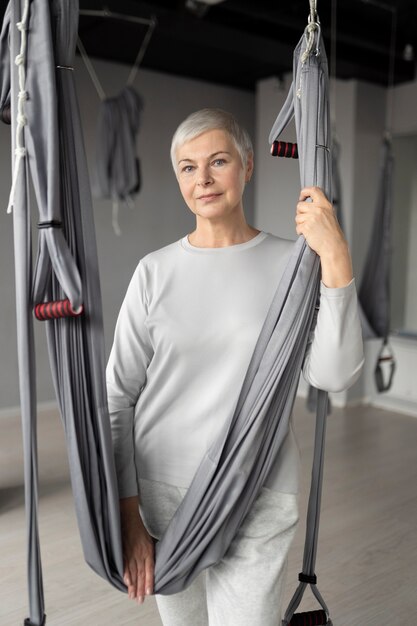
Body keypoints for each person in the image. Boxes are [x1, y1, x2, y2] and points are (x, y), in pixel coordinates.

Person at [106, 108, 364, 626]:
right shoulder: (154, 272)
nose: (202, 179)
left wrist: (335, 257)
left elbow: (333, 377)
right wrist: (129, 515)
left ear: (247, 165)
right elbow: (118, 397)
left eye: (218, 161)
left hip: (259, 490)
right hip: (162, 500)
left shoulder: (295, 265)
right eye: (187, 167)